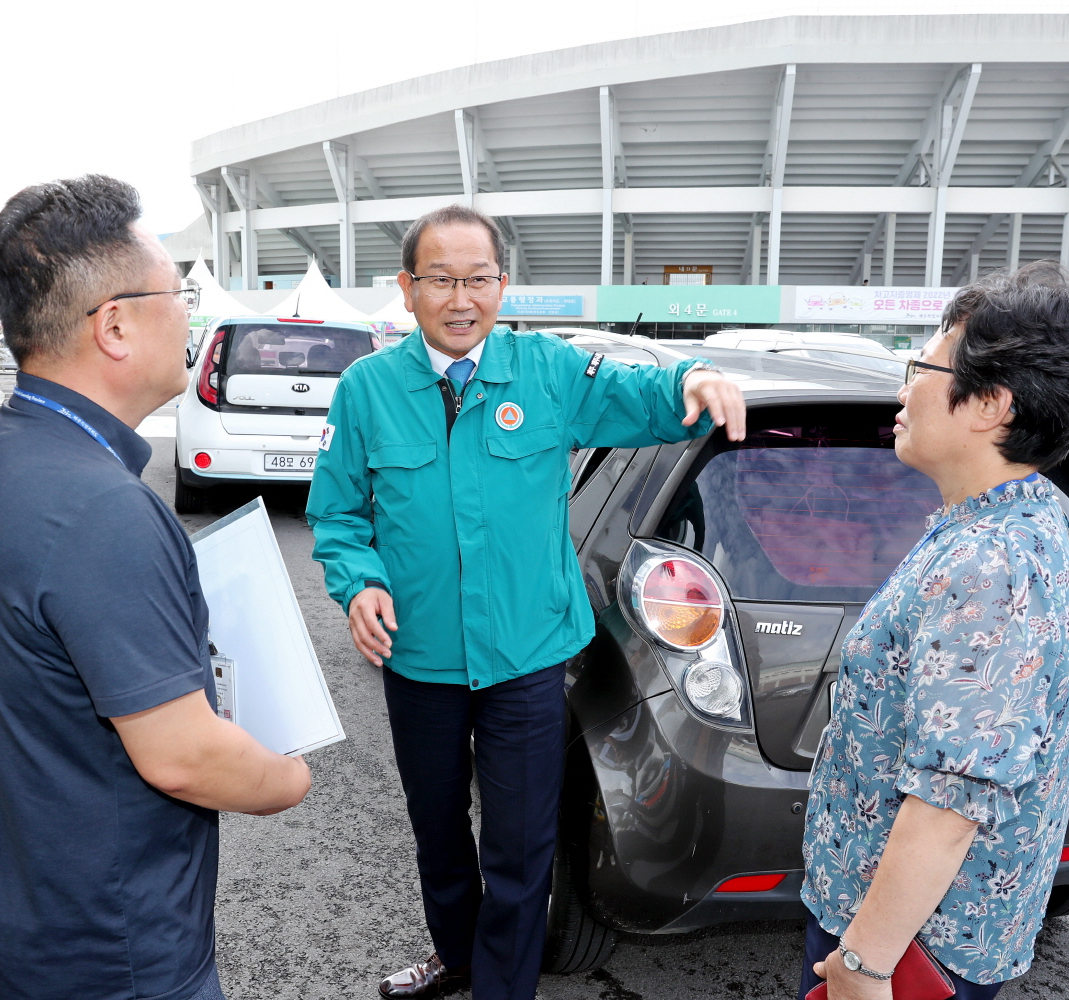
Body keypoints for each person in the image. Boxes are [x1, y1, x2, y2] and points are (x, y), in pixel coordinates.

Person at [306, 204, 746, 1000]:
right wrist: (358, 581)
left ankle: (500, 990)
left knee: (519, 846)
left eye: (478, 278)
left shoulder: (546, 371)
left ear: (502, 285)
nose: (461, 297)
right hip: (422, 658)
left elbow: (645, 396)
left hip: (527, 658)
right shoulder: (367, 389)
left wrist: (695, 376)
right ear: (408, 289)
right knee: (438, 834)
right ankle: (459, 956)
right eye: (441, 278)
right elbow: (337, 516)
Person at [0, 175, 311, 1000]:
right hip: (113, 950)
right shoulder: (103, 507)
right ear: (114, 325)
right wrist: (290, 777)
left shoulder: (8, 448)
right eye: (178, 291)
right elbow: (185, 757)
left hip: (28, 910)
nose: (190, 313)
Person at [798, 262, 1069, 1000]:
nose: (904, 386)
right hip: (903, 927)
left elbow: (950, 804)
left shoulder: (992, 566)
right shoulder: (1010, 515)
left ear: (989, 405)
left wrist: (864, 964)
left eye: (922, 363)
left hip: (910, 949)